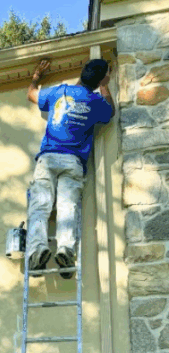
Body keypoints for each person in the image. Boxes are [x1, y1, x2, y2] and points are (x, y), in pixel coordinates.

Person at [25, 58, 115, 278]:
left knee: (40, 206)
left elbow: (31, 94)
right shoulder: (95, 102)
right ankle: (65, 249)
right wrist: (105, 85)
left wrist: (36, 77)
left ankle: (37, 251)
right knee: (67, 208)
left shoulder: (59, 92)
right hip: (72, 162)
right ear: (100, 80)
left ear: (83, 71)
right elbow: (110, 112)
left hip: (48, 159)